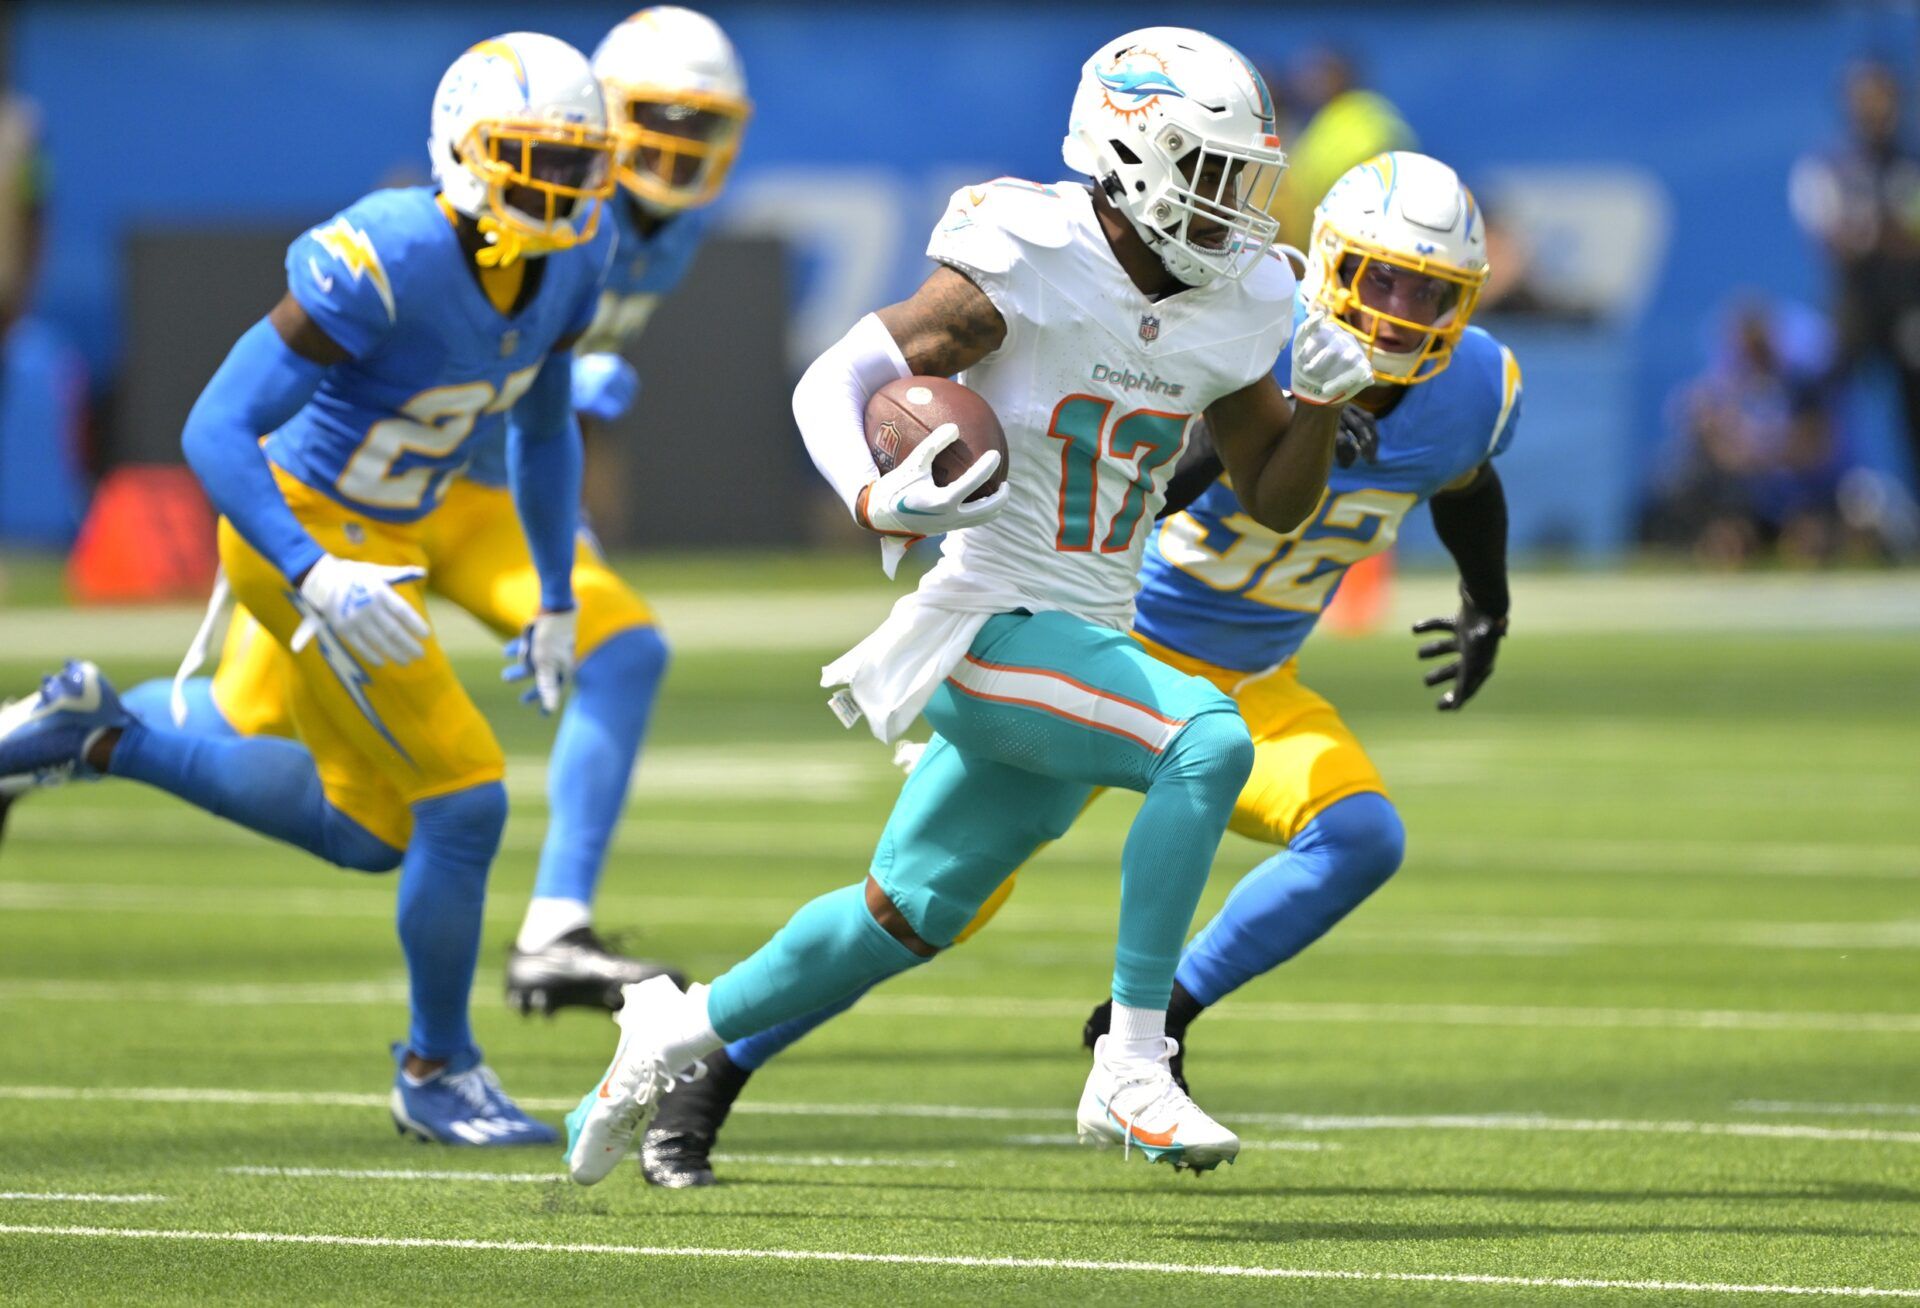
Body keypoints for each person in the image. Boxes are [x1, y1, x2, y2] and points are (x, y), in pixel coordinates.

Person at [563, 26, 1375, 1186]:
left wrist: (1322, 418)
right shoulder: (1032, 254)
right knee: (1207, 740)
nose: (1231, 206)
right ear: (1129, 152)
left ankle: (676, 1028)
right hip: (987, 621)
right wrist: (867, 490)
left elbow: (1272, 499)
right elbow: (836, 373)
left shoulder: (1240, 298)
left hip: (1084, 640)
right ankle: (1134, 1059)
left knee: (902, 917)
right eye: (1208, 173)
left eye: (1242, 177)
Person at [640, 151, 1518, 1189]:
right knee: (931, 906)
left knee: (1360, 835)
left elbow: (1467, 479)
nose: (1405, 313)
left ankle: (1152, 1023)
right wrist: (1297, 430)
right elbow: (1150, 473)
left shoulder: (1475, 385)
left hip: (1251, 677)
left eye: (1433, 293)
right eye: (1383, 281)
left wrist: (1485, 601)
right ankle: (710, 1068)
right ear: (1327, 264)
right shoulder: (1248, 317)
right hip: (1113, 651)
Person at [0, 32, 617, 1145]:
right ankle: (437, 1072)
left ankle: (103, 734)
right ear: (466, 152)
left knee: (372, 832)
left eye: (577, 161)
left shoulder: (575, 257)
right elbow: (215, 427)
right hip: (303, 537)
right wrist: (313, 571)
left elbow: (539, 425)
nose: (563, 186)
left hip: (388, 542)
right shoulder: (389, 250)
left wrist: (558, 593)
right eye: (536, 157)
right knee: (467, 797)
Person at [96, 6, 753, 1017]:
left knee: (622, 646)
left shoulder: (654, 239)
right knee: (240, 722)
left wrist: (559, 526)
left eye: (702, 126)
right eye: (661, 119)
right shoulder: (472, 218)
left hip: (480, 496)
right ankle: (66, 727)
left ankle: (555, 930)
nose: (681, 148)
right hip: (365, 503)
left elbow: (547, 410)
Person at [1790, 60, 1920, 486]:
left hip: (1908, 306)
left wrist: (1874, 231)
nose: (1875, 110)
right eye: (1865, 100)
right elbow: (1834, 239)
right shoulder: (1828, 166)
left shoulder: (1910, 166)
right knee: (1817, 393)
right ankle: (1807, 506)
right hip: (1855, 306)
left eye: (1883, 100)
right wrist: (1885, 231)